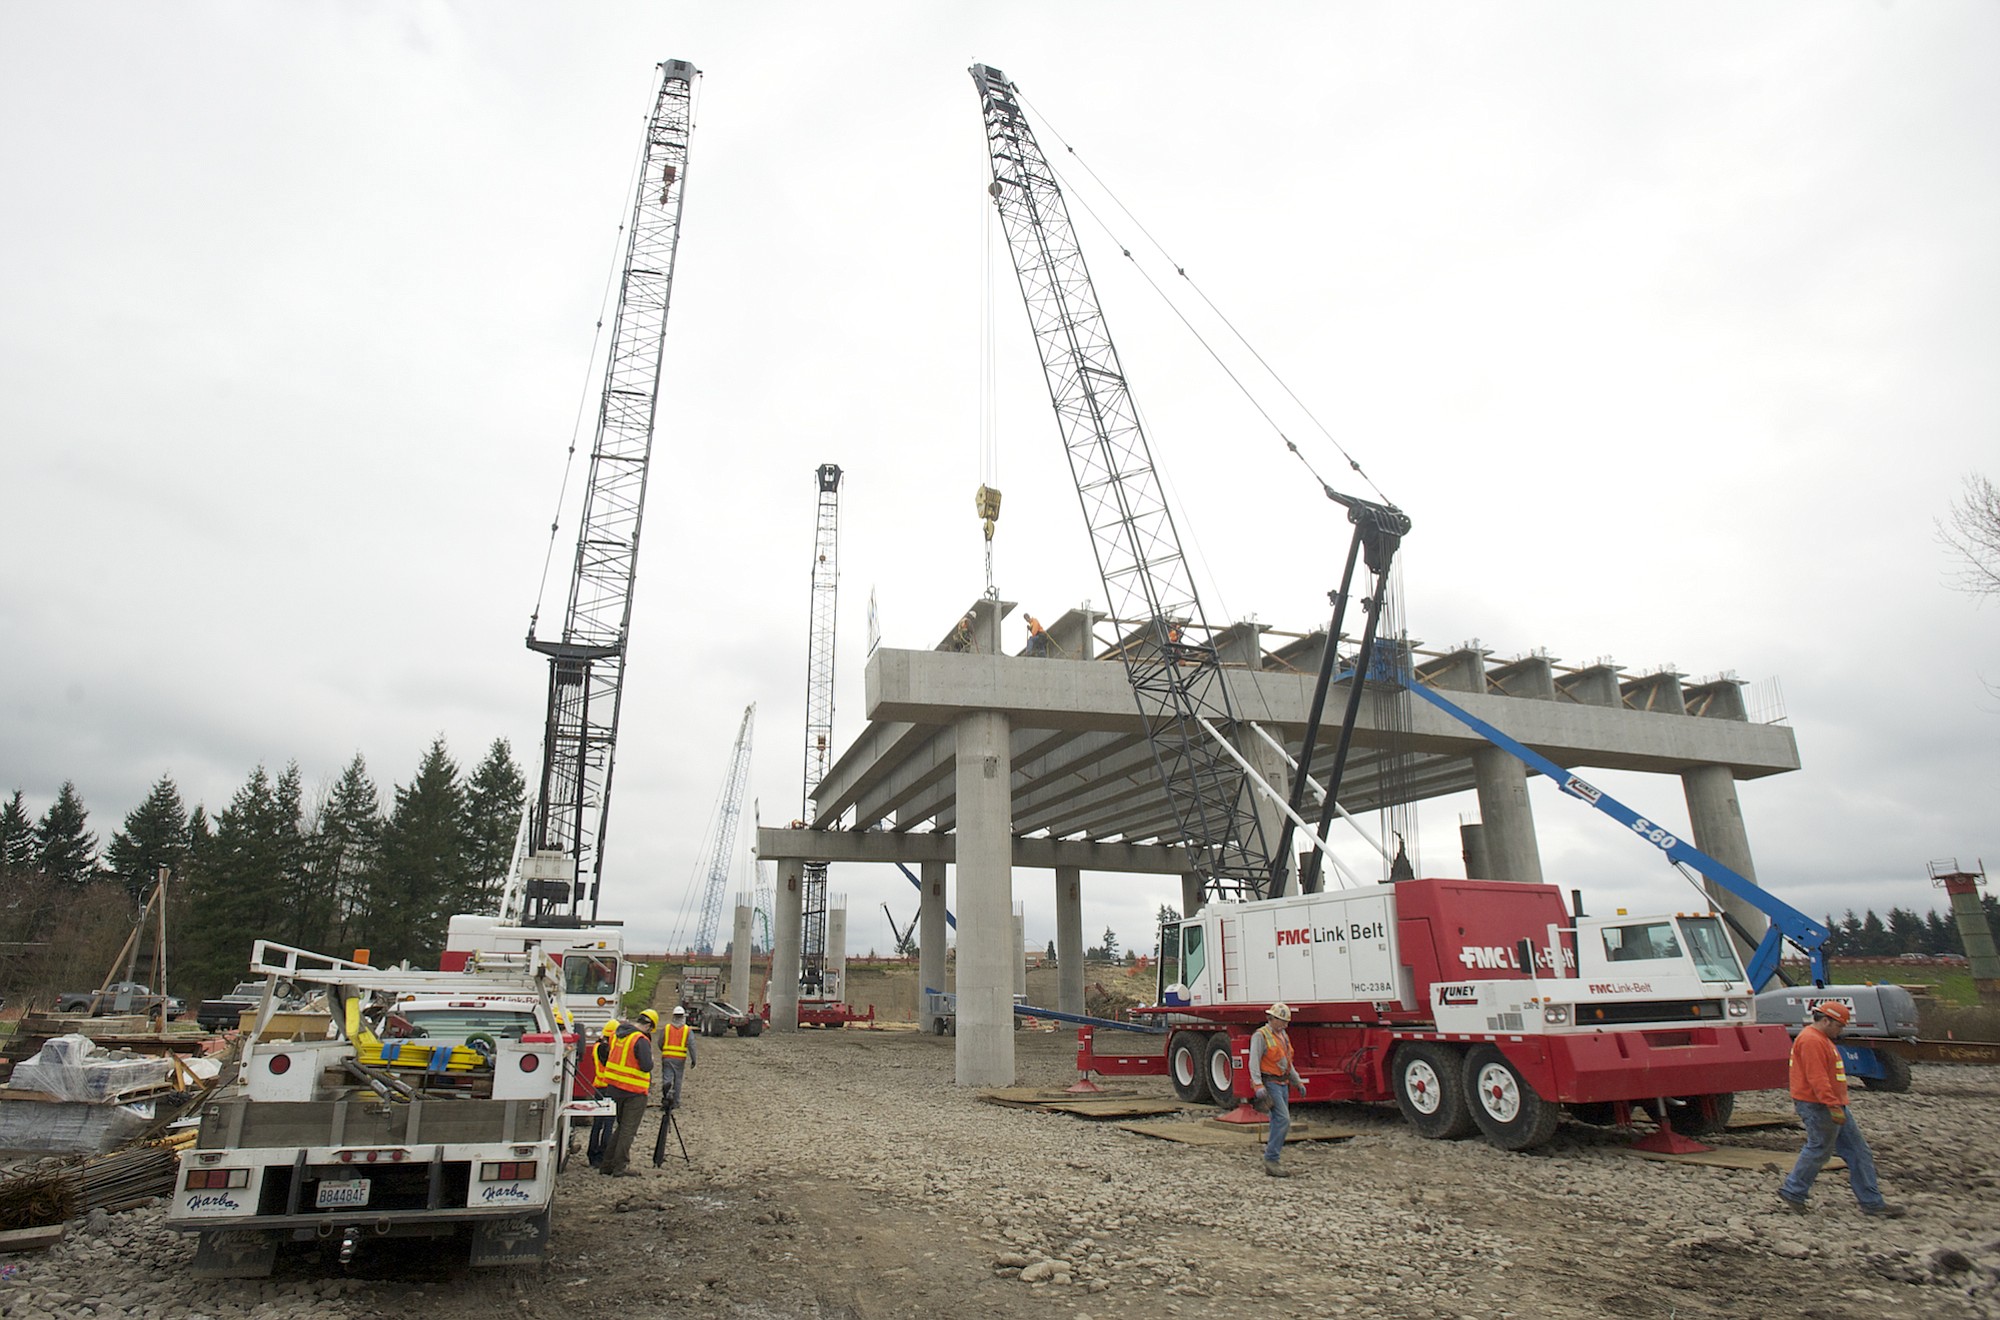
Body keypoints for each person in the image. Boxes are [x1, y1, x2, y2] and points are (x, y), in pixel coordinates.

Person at [1778, 1001, 1905, 1217]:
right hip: (1820, 1105)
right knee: (1819, 1149)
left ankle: (1872, 1202)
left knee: (1858, 1151)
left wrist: (1835, 1104)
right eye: (1839, 1025)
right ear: (1826, 1020)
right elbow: (1817, 1078)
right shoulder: (1811, 1041)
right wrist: (1831, 1104)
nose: (1840, 1030)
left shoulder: (1820, 1039)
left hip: (1831, 1104)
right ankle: (1793, 1191)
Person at [1249, 1002, 1307, 1177]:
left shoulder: (1283, 1036)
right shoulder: (1261, 1036)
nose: (1285, 1025)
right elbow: (1254, 1061)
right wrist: (1258, 1085)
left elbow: (1287, 1061)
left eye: (1286, 1022)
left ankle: (1272, 1158)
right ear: (1272, 1019)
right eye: (1282, 1021)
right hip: (1271, 1083)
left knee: (1277, 1120)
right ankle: (1271, 1159)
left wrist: (1297, 1081)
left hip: (1283, 1083)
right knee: (1283, 1120)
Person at [597, 1015, 655, 1177]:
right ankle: (620, 1166)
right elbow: (646, 1066)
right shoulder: (640, 1039)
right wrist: (651, 1060)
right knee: (628, 1130)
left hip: (615, 1088)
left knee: (621, 1127)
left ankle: (607, 1164)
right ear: (648, 1025)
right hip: (634, 1091)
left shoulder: (618, 1035)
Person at [583, 1019, 617, 1166]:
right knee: (608, 1124)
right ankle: (603, 1154)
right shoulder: (611, 1049)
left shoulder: (597, 1046)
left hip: (598, 1087)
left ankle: (592, 1153)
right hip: (609, 1088)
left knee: (597, 1124)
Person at [659, 1005, 697, 1105]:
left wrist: (664, 1050)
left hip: (667, 1057)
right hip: (680, 1059)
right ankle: (675, 1101)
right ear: (683, 1016)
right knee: (678, 1079)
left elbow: (660, 1042)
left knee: (667, 1078)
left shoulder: (666, 1028)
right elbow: (692, 1046)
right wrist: (694, 1060)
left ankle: (666, 1098)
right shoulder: (687, 1030)